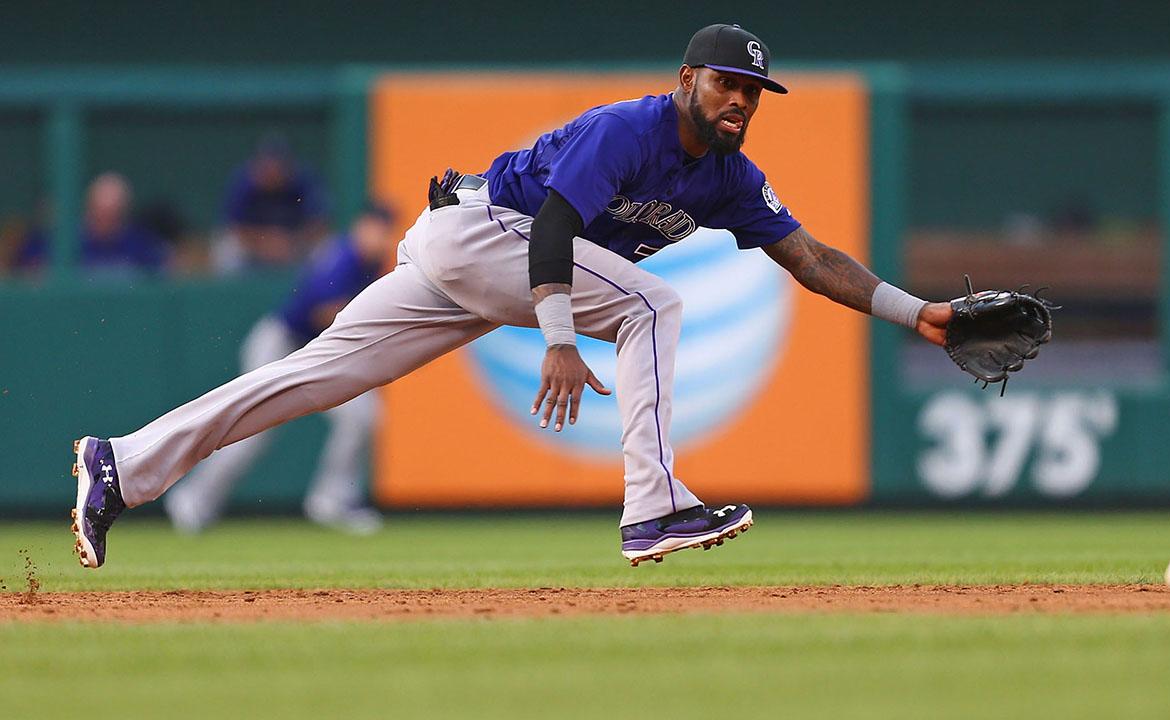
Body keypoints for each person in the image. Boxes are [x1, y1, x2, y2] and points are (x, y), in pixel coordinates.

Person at [68, 23, 953, 570]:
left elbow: (810, 257)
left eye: (754, 92)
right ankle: (651, 509)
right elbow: (555, 224)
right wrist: (562, 337)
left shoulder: (730, 176)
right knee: (654, 306)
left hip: (476, 260)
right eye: (728, 83)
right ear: (687, 78)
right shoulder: (630, 128)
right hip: (488, 232)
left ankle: (123, 464)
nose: (741, 101)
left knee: (312, 379)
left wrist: (918, 315)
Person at [163, 204, 398, 535]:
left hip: (317, 351)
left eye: (385, 229)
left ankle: (332, 497)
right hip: (280, 343)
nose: (380, 236)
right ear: (360, 226)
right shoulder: (343, 256)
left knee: (363, 414)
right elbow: (323, 311)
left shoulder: (372, 263)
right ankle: (193, 499)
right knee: (252, 431)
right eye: (375, 227)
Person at [14, 174, 168, 277]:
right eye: (100, 213)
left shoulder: (139, 242)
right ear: (89, 209)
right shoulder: (63, 239)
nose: (106, 220)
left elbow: (166, 270)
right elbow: (27, 268)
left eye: (113, 215)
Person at [216, 136, 329, 271]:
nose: (273, 170)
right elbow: (234, 227)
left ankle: (320, 291)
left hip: (295, 244)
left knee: (326, 249)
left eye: (277, 165)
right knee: (228, 249)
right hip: (255, 245)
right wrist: (266, 243)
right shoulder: (244, 182)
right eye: (268, 165)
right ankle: (234, 292)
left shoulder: (302, 181)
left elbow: (319, 224)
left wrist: (291, 241)